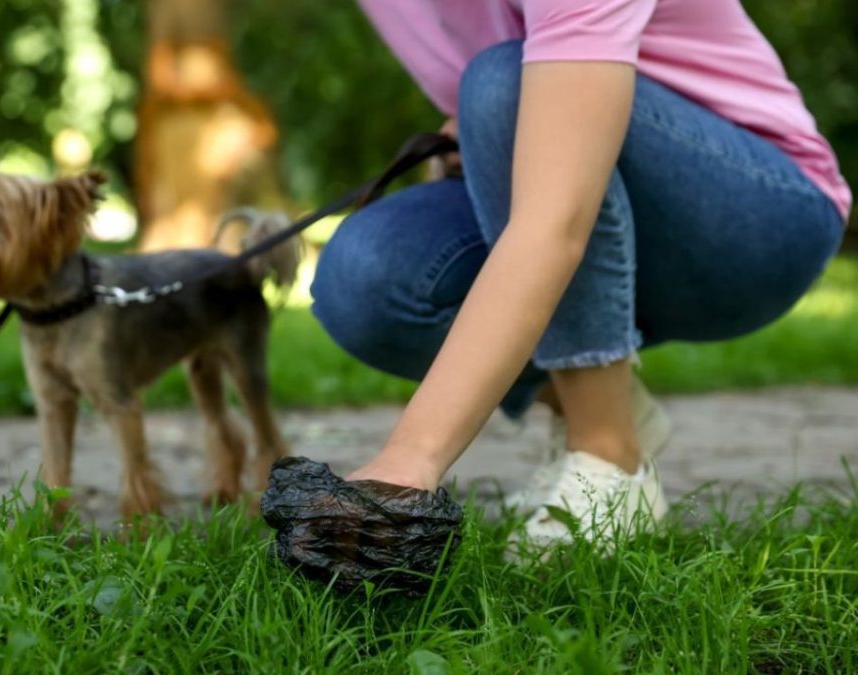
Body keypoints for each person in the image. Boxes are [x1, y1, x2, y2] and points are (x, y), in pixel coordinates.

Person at [309, 0, 851, 550]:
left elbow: (556, 219)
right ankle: (610, 402)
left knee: (506, 85)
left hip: (756, 220)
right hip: (573, 181)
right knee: (367, 277)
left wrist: (409, 460)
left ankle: (609, 456)